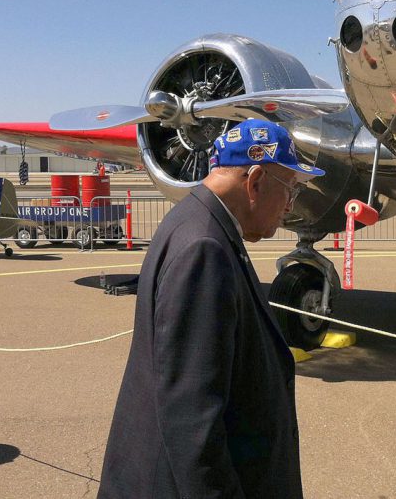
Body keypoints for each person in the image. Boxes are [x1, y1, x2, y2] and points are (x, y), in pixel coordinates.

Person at [98, 119, 325, 499]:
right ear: (254, 181)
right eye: (291, 188)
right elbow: (192, 419)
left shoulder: (196, 224)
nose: (290, 205)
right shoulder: (205, 248)